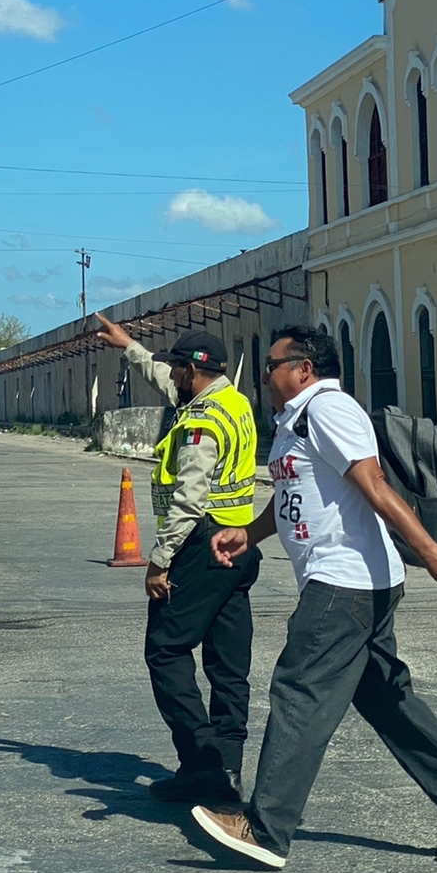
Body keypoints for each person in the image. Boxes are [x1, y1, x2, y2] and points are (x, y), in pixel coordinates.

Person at [192, 326, 437, 868]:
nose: (265, 375)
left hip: (345, 584)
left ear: (303, 369)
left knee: (299, 690)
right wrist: (251, 532)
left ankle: (265, 828)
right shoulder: (296, 420)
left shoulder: (328, 410)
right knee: (386, 699)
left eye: (272, 365)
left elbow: (374, 485)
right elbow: (298, 495)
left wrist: (432, 550)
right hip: (356, 583)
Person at [95, 315, 260, 805]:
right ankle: (228, 767)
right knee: (229, 664)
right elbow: (163, 378)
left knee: (165, 650)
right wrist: (130, 347)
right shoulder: (232, 403)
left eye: (178, 368)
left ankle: (201, 763)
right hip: (241, 546)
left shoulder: (201, 423)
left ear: (193, 371)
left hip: (199, 547)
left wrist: (159, 560)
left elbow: (190, 498)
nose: (173, 376)